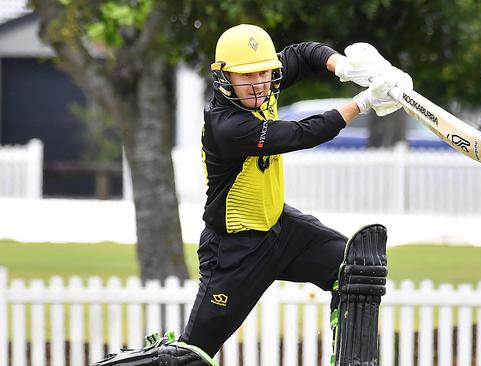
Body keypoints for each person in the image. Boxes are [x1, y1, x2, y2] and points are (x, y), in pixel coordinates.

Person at [94, 23, 411, 366]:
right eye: (248, 76)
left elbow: (303, 53)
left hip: (280, 229)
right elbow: (298, 134)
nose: (259, 83)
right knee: (192, 358)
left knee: (353, 270)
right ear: (224, 77)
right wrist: (362, 101)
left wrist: (343, 67)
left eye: (264, 73)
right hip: (234, 250)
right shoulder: (226, 125)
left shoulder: (262, 85)